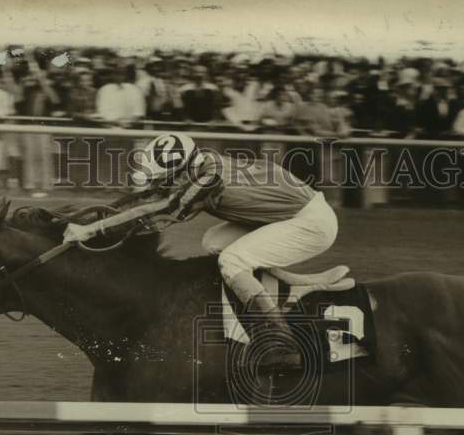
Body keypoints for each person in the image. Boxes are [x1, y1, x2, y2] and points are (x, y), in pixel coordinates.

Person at [64, 132, 338, 371]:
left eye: (164, 177)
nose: (159, 182)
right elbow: (153, 198)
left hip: (311, 223)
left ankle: (284, 344)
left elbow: (162, 209)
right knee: (214, 242)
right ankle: (291, 284)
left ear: (181, 168)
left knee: (232, 260)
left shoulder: (206, 180)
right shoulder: (200, 160)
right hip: (292, 212)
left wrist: (93, 229)